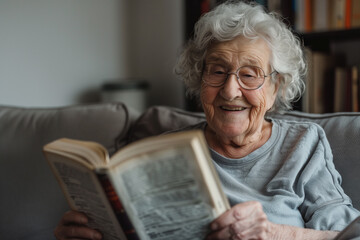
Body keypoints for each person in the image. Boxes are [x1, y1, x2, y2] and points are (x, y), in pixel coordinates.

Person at [54, 1, 360, 240]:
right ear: (199, 79)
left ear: (275, 86)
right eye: (217, 71)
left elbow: (346, 234)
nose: (230, 90)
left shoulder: (303, 145)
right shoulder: (163, 152)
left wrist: (278, 233)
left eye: (249, 75)